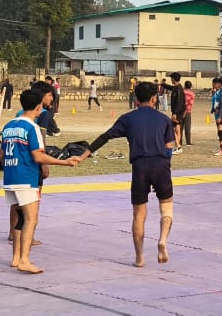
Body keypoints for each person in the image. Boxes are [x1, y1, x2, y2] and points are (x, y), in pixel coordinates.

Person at [74, 81, 177, 268]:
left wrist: (83, 156)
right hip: (161, 165)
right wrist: (164, 167)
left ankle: (139, 258)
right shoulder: (164, 119)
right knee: (166, 207)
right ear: (154, 99)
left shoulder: (128, 118)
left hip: (140, 166)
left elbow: (105, 137)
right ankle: (162, 240)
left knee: (139, 214)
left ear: (136, 99)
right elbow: (169, 147)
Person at [3, 87, 77, 274]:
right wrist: (64, 162)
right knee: (31, 219)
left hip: (10, 177)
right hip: (26, 178)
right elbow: (38, 156)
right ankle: (25, 260)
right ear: (38, 106)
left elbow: (1, 154)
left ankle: (16, 257)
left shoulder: (9, 126)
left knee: (20, 218)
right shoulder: (32, 127)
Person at [159, 73, 186, 154]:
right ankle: (178, 147)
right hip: (178, 112)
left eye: (171, 78)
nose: (171, 80)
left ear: (174, 79)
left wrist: (175, 113)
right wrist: (162, 84)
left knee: (171, 129)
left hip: (177, 113)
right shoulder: (176, 87)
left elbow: (179, 102)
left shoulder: (179, 89)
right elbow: (170, 87)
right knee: (177, 130)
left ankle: (178, 146)